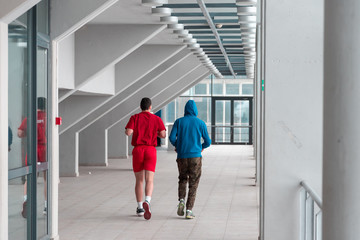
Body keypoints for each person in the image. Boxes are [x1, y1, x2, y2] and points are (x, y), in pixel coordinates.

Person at [169, 100, 211, 219]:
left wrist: (178, 146)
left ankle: (181, 199)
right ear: (195, 110)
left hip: (181, 156)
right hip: (195, 157)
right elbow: (208, 142)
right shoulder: (200, 123)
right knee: (193, 182)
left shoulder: (179, 122)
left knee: (182, 178)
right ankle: (189, 210)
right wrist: (200, 148)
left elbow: (172, 138)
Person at [125, 97, 166, 220]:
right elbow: (163, 134)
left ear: (140, 107)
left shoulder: (135, 118)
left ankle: (139, 208)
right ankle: (147, 201)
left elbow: (128, 132)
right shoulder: (156, 119)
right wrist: (155, 133)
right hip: (150, 150)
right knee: (150, 180)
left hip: (138, 150)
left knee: (139, 180)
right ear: (150, 107)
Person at [18, 97, 47, 218]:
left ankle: (27, 201)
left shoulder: (30, 118)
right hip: (45, 150)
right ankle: (46, 205)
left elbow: (20, 133)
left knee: (30, 178)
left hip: (32, 150)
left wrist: (27, 134)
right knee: (46, 178)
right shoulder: (48, 117)